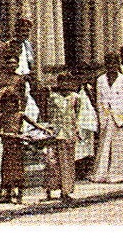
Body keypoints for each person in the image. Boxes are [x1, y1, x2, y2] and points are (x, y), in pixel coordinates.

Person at [91, 52, 123, 184]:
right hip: (106, 115)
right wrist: (102, 116)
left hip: (119, 115)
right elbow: (99, 100)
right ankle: (101, 173)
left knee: (119, 145)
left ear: (118, 64)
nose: (111, 66)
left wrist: (122, 113)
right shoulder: (101, 80)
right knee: (104, 145)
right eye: (109, 63)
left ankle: (120, 173)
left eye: (114, 63)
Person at [43, 73, 79, 203]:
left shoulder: (75, 97)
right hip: (55, 133)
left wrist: (76, 130)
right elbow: (48, 114)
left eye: (67, 81)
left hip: (69, 133)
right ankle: (50, 189)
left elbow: (77, 114)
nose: (64, 84)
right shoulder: (53, 97)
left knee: (67, 163)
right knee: (51, 162)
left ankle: (66, 191)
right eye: (62, 81)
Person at [0, 87, 27, 204]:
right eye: (8, 105)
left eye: (13, 104)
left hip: (17, 147)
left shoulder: (20, 115)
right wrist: (11, 135)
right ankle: (7, 194)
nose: (11, 107)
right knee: (6, 171)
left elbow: (34, 124)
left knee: (18, 171)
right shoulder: (3, 117)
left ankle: (19, 195)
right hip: (7, 147)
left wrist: (44, 131)